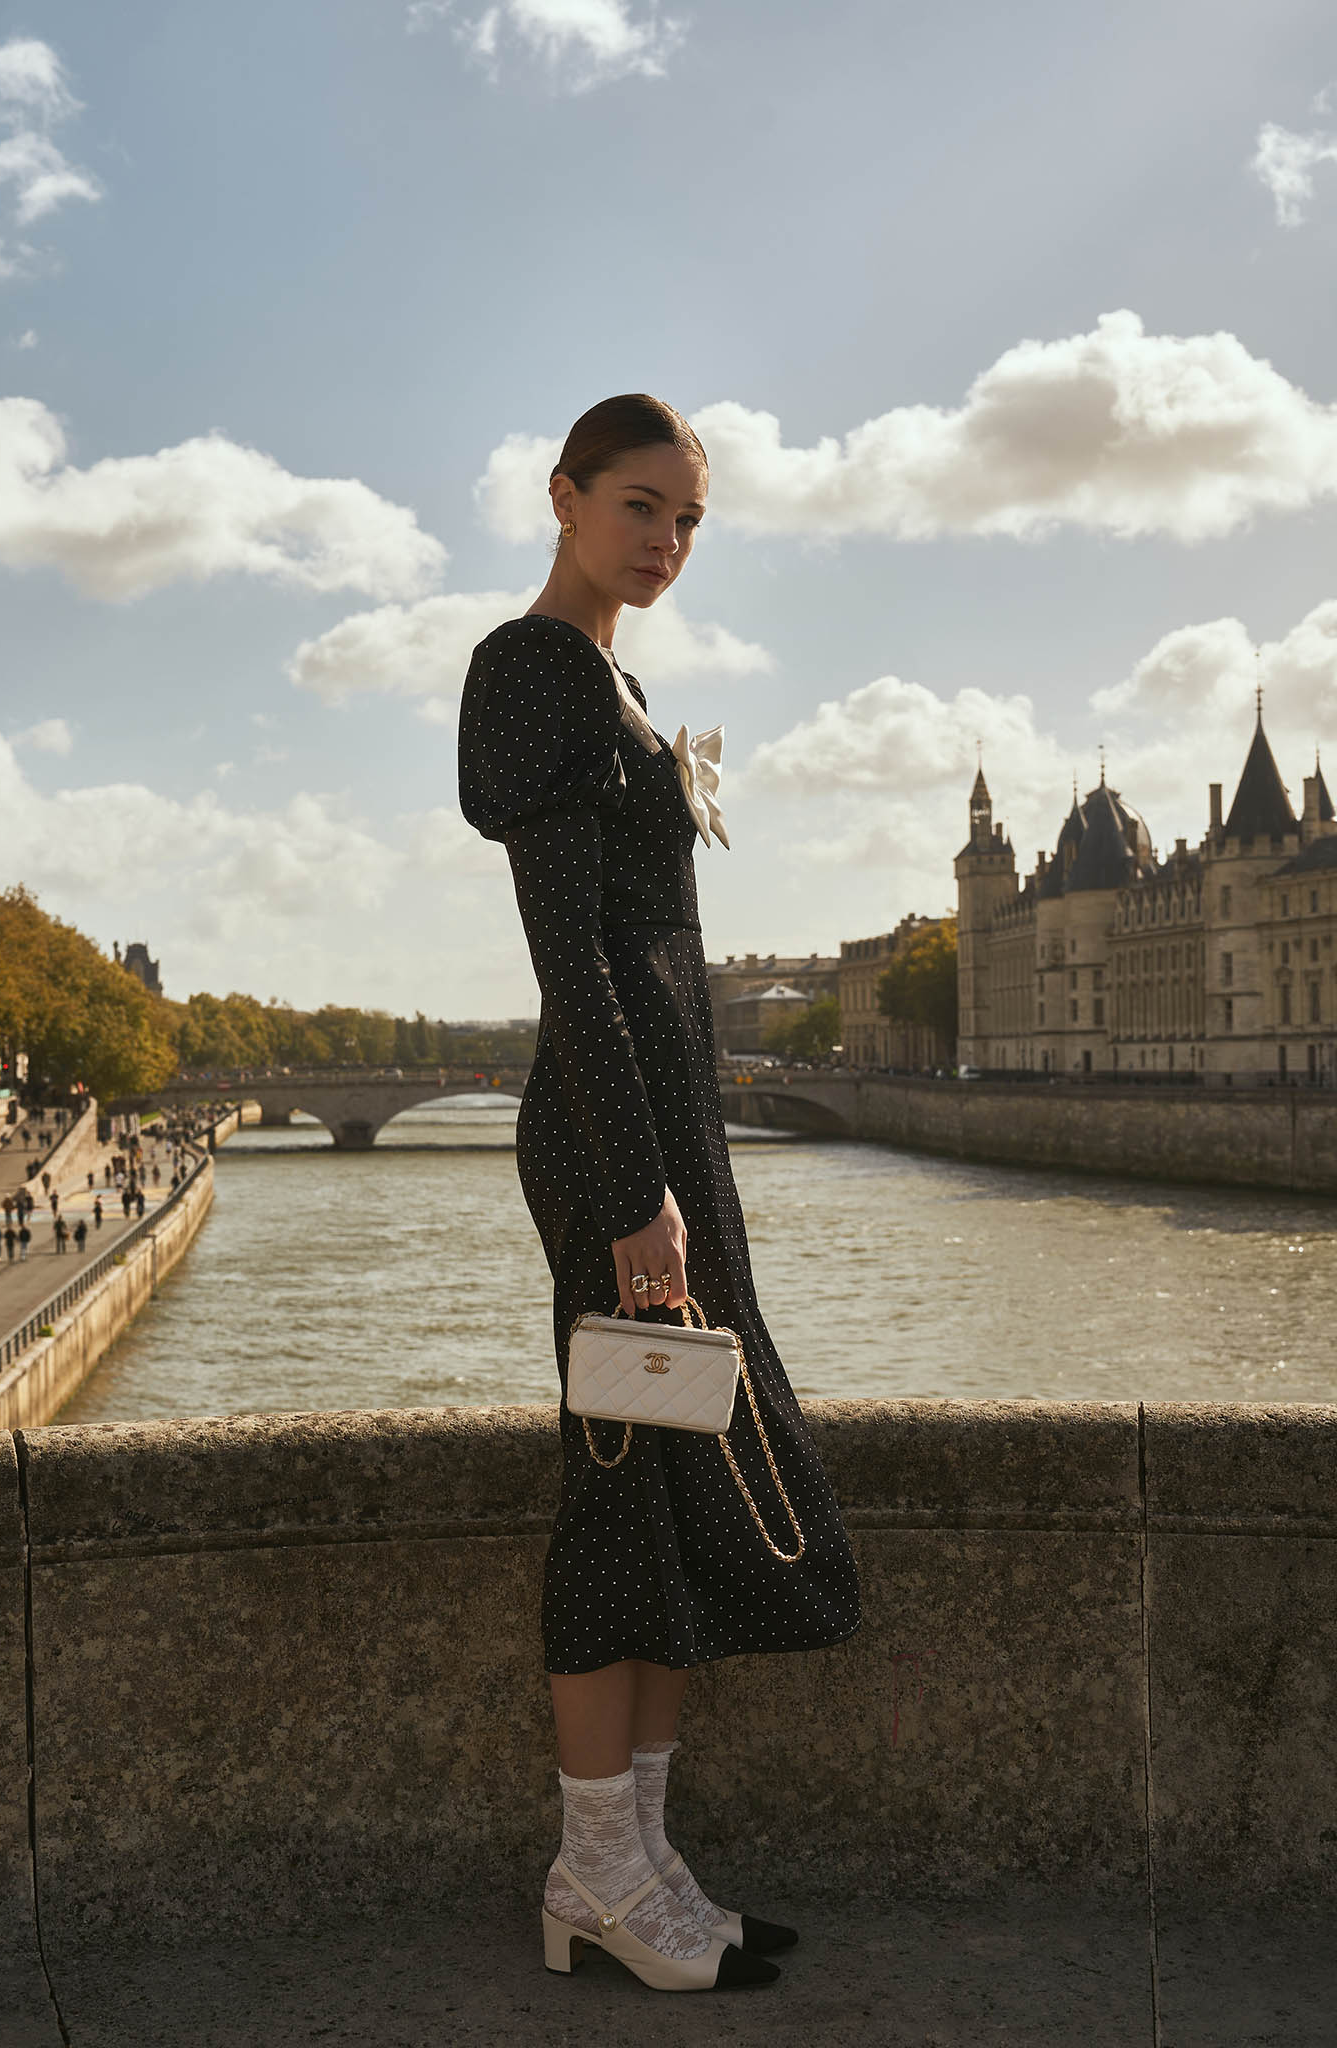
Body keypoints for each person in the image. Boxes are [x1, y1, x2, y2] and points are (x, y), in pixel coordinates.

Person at [456, 395, 861, 1996]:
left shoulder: (618, 682)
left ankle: (647, 1865)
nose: (665, 542)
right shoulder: (534, 674)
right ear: (562, 497)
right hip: (621, 1152)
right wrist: (635, 1191)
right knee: (622, 1480)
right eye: (640, 507)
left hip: (676, 1149)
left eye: (689, 521)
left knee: (691, 1496)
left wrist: (677, 1174)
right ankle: (595, 1873)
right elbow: (578, 962)